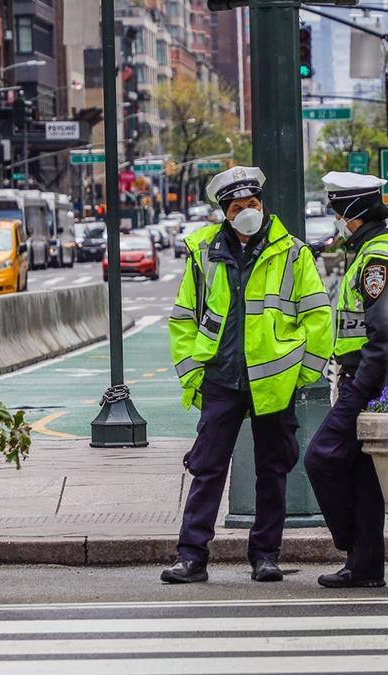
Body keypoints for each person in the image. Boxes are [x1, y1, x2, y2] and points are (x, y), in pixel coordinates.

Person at [163, 166, 333, 584]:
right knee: (207, 468)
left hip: (274, 382)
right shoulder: (203, 252)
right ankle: (191, 556)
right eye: (239, 207)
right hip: (221, 379)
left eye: (253, 204)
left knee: (272, 470)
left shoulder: (292, 251)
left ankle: (265, 555)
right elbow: (184, 318)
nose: (248, 212)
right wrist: (193, 376)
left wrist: (303, 375)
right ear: (225, 212)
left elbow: (318, 315)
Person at [304, 171, 388, 589]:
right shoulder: (369, 250)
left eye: (337, 209)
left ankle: (351, 544)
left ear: (353, 211)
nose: (334, 217)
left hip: (374, 381)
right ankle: (364, 564)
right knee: (361, 474)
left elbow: (384, 336)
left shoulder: (378, 259)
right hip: (371, 379)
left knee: (323, 456)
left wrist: (357, 392)